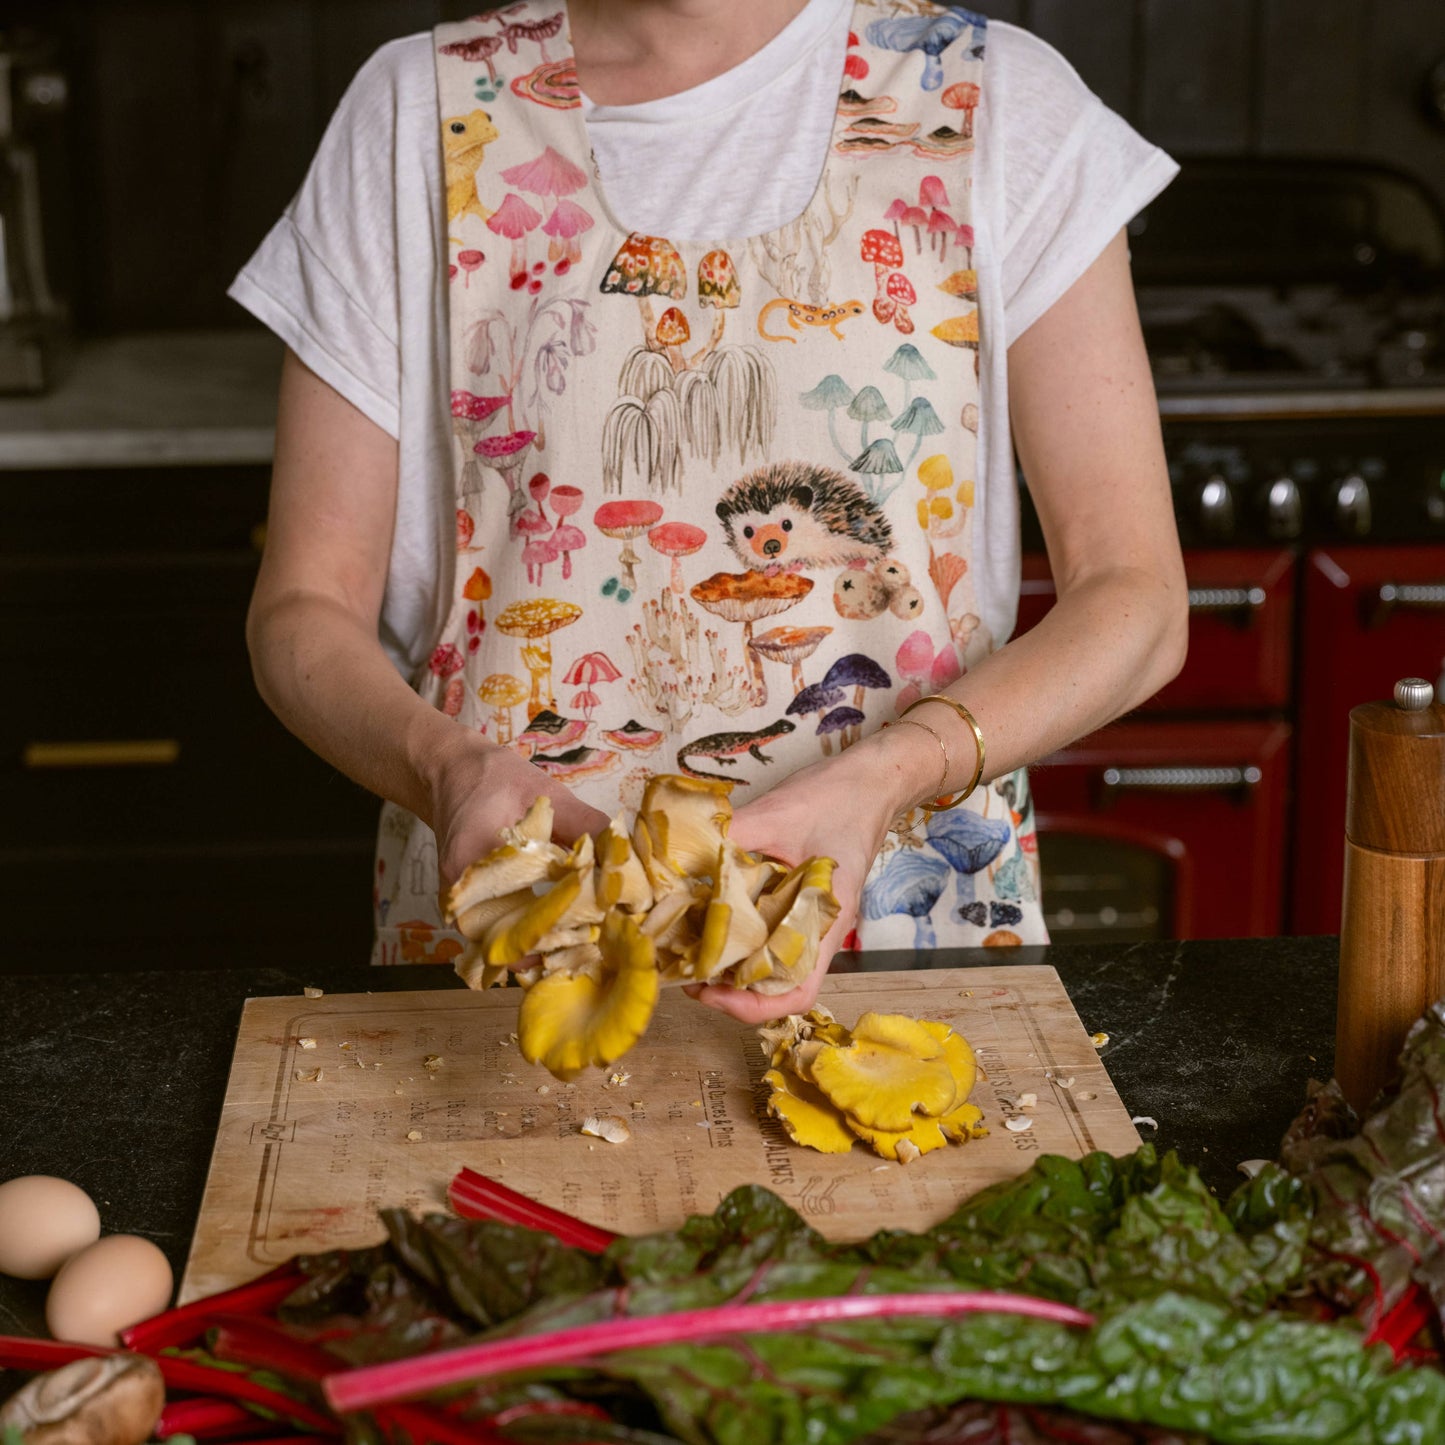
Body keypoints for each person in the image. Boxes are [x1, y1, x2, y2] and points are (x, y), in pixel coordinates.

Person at [234, 0, 1188, 1024]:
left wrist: (890, 772)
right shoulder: (414, 114)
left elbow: (1133, 603)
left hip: (907, 963)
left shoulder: (990, 101)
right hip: (502, 961)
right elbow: (301, 608)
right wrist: (445, 767)